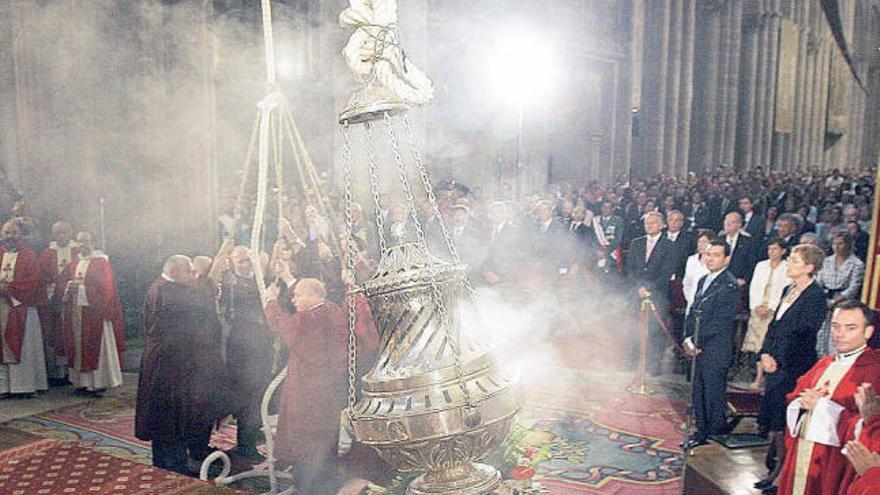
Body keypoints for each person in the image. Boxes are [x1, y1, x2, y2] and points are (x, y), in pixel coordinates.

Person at [770, 301, 880, 494]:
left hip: (834, 462)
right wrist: (800, 402)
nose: (840, 334)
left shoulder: (874, 370)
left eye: (850, 328)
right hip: (803, 453)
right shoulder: (824, 363)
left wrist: (823, 408)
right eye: (836, 326)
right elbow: (795, 397)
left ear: (868, 332)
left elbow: (871, 425)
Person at [136, 255, 227, 475]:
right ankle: (174, 466)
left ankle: (164, 463)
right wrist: (210, 281)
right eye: (189, 271)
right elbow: (195, 300)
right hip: (167, 365)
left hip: (171, 361)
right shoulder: (168, 293)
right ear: (175, 272)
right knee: (171, 417)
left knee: (169, 415)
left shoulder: (167, 286)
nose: (193, 275)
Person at [263, 277, 350, 494]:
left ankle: (308, 488)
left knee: (305, 440)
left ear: (314, 297)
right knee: (325, 436)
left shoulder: (310, 319)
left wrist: (271, 300)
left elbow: (280, 325)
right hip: (328, 388)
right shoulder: (330, 309)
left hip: (308, 391)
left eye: (298, 295)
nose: (293, 300)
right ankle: (327, 482)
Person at [755, 244, 827, 492]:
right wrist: (764, 353)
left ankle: (781, 475)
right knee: (774, 420)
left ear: (809, 267)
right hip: (774, 362)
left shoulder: (816, 297)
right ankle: (775, 469)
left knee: (785, 420)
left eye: (794, 261)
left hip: (793, 367)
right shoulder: (788, 289)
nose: (789, 263)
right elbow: (775, 326)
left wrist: (777, 360)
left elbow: (803, 335)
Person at [681, 238, 740, 449]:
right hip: (697, 344)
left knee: (712, 391)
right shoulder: (703, 279)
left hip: (715, 347)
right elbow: (693, 310)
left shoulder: (729, 284)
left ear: (726, 258)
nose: (711, 259)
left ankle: (713, 431)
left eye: (716, 255)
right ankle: (701, 428)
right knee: (698, 389)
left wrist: (697, 340)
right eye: (708, 254)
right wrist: (687, 338)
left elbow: (719, 321)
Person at [218, 245, 274, 462]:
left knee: (259, 394)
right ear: (232, 262)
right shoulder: (229, 284)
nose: (246, 265)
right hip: (240, 350)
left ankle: (251, 435)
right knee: (245, 397)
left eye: (249, 261)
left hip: (262, 346)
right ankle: (245, 443)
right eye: (241, 261)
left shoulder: (262, 279)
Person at [59, 231, 125, 395]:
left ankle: (97, 383)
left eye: (86, 241)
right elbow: (62, 282)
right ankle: (81, 383)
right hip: (76, 311)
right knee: (78, 346)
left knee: (96, 346)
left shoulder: (101, 263)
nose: (82, 245)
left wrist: (81, 289)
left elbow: (106, 289)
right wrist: (68, 286)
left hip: (95, 313)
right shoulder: (74, 262)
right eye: (80, 242)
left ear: (93, 243)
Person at [0, 219, 47, 396]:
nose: (9, 237)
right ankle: (3, 387)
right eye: (6, 232)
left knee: (25, 346)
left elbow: (33, 282)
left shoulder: (29, 256)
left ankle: (24, 386)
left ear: (21, 235)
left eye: (13, 233)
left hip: (21, 308)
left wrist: (9, 289)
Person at [626, 211, 676, 374]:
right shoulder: (636, 243)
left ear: (662, 225)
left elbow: (666, 271)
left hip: (658, 294)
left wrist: (650, 289)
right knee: (635, 328)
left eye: (653, 222)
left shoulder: (669, 245)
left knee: (655, 330)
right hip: (637, 292)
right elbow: (630, 269)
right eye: (647, 223)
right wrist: (639, 287)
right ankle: (634, 362)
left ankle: (654, 364)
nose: (649, 225)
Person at [742, 238, 792, 389]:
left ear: (783, 251)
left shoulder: (786, 267)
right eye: (769, 249)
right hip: (757, 309)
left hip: (774, 312)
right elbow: (754, 286)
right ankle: (758, 376)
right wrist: (757, 306)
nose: (771, 252)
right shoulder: (761, 265)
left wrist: (771, 307)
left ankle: (764, 377)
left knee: (767, 343)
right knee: (757, 345)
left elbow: (784, 290)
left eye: (775, 249)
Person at [37, 221, 75, 383]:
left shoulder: (77, 251)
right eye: (58, 232)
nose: (62, 235)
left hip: (73, 299)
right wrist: (54, 291)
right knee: (55, 335)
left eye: (65, 232)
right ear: (53, 235)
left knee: (72, 333)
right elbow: (41, 276)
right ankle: (57, 373)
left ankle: (73, 373)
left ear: (71, 233)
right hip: (53, 300)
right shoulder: (47, 253)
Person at [816, 232, 866, 356]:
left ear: (848, 244)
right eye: (834, 243)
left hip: (844, 303)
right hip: (824, 301)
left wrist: (835, 301)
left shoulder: (857, 264)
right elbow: (819, 281)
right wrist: (824, 299)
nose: (837, 247)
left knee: (838, 336)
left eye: (841, 243)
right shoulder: (826, 261)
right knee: (821, 336)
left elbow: (853, 287)